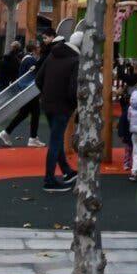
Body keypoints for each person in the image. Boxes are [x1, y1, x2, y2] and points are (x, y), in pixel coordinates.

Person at [36, 30, 80, 192]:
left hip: (47, 104)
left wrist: (46, 94)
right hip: (63, 106)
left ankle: (67, 171)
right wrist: (74, 104)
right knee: (55, 142)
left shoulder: (51, 56)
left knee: (56, 138)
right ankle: (49, 180)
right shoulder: (76, 60)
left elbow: (38, 79)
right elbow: (73, 89)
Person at [0, 38, 48, 148]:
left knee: (24, 113)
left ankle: (7, 133)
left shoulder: (27, 58)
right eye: (38, 47)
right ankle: (32, 138)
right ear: (34, 49)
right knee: (35, 113)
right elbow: (38, 73)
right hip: (28, 90)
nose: (40, 49)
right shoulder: (30, 60)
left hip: (26, 90)